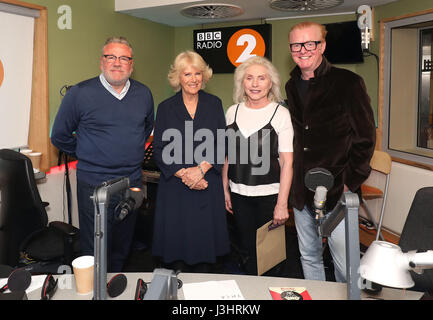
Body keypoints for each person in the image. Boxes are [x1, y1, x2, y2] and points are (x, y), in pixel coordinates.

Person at [51, 37, 154, 272]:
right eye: (111, 57)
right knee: (95, 248)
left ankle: (116, 289)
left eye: (123, 58)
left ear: (131, 64)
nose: (117, 63)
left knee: (122, 245)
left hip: (131, 183)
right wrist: (90, 152)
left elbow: (146, 128)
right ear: (101, 61)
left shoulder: (144, 94)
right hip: (94, 184)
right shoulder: (79, 93)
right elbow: (59, 135)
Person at [285, 21, 376, 282]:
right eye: (296, 45)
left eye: (309, 43)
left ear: (322, 45)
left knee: (346, 264)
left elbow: (366, 138)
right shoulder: (291, 86)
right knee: (309, 255)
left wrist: (349, 182)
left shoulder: (349, 83)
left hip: (338, 191)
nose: (302, 50)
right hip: (302, 191)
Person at [152, 51, 230, 273]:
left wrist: (200, 170)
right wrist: (185, 175)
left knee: (206, 249)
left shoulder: (214, 103)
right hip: (175, 188)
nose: (193, 79)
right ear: (178, 77)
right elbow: (160, 149)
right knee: (177, 250)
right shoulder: (166, 107)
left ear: (204, 76)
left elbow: (221, 143)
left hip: (207, 184)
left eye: (198, 73)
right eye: (187, 74)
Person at [222, 56, 294, 275]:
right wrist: (224, 188)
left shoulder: (280, 113)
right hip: (239, 194)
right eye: (249, 78)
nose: (255, 84)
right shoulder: (231, 112)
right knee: (246, 251)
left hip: (269, 197)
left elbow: (287, 162)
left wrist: (282, 203)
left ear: (270, 83)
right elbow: (228, 155)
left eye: (261, 78)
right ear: (242, 83)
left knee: (269, 257)